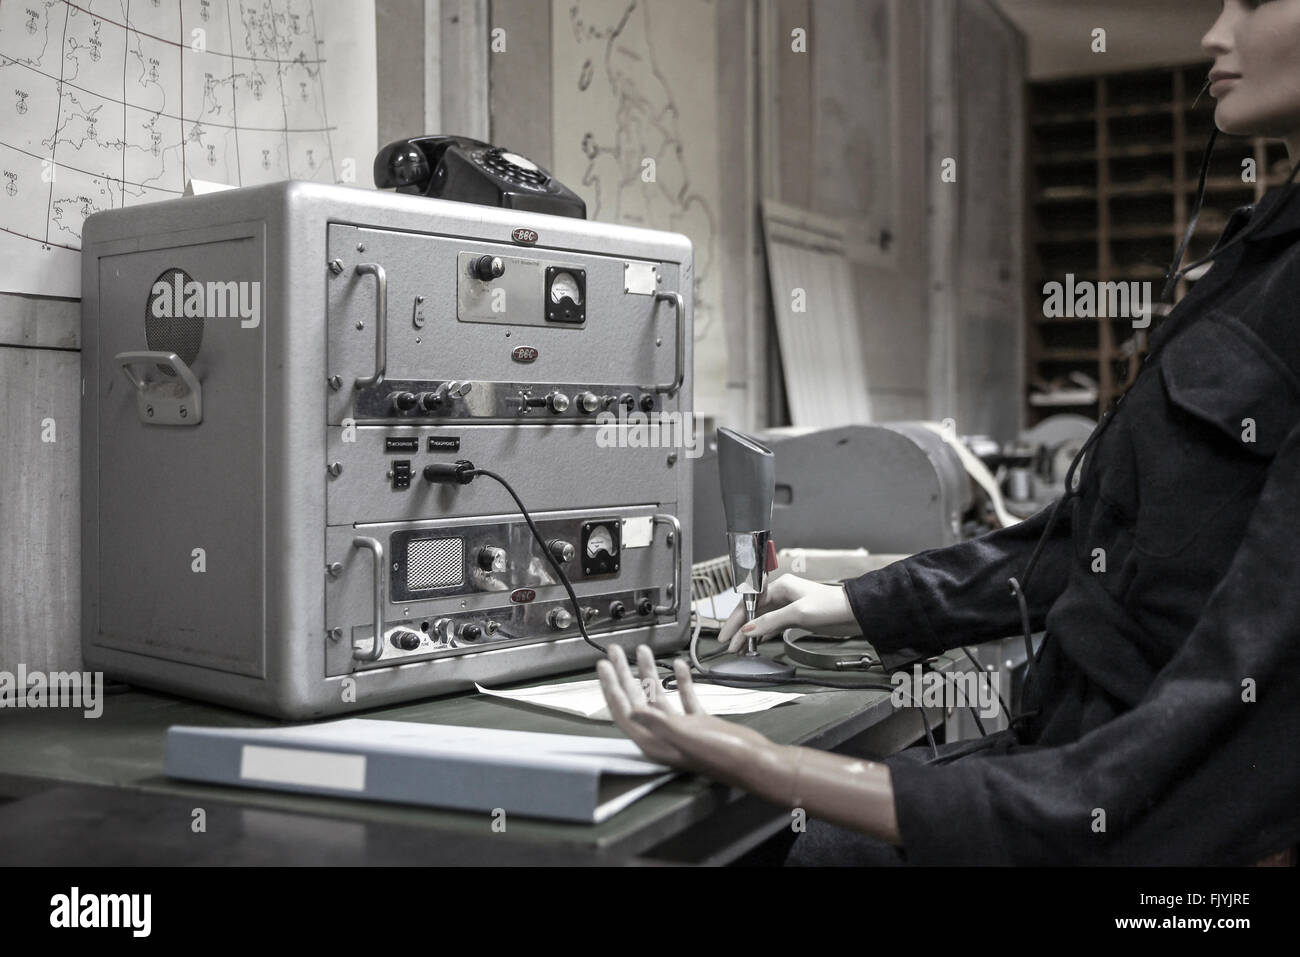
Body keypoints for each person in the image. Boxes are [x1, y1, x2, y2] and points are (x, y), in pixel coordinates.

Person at [595, 0, 1300, 865]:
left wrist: (767, 762)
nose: (1214, 34)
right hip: (1060, 762)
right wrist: (854, 602)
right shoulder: (1255, 258)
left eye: (1255, 1)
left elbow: (1197, 732)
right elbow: (1091, 539)